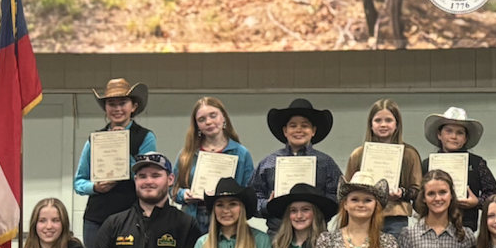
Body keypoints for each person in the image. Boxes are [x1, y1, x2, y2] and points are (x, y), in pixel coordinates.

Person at [74, 78, 157, 247]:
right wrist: (95, 187)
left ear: (133, 106)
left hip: (132, 215)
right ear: (105, 108)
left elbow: (148, 178)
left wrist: (122, 147)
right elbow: (79, 182)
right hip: (96, 218)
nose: (117, 109)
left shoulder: (145, 137)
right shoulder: (94, 140)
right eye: (112, 104)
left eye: (122, 103)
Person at [251, 99, 341, 233]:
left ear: (313, 131)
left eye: (305, 126)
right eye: (293, 126)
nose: (299, 130)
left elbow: (338, 196)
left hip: (315, 234)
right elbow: (253, 197)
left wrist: (320, 205)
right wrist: (267, 205)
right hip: (277, 234)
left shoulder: (326, 162)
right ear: (285, 131)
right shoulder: (268, 163)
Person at [173, 97, 256, 234]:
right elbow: (173, 188)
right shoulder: (187, 154)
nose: (209, 122)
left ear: (223, 117)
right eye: (202, 119)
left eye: (213, 116)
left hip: (227, 219)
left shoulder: (241, 153)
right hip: (193, 218)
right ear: (197, 125)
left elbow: (249, 191)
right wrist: (183, 195)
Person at [344, 99, 424, 234]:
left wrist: (402, 193)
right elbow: (348, 188)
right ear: (370, 124)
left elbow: (417, 189)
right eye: (378, 120)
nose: (383, 125)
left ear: (397, 124)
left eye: (388, 120)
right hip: (364, 216)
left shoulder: (409, 154)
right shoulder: (358, 154)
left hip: (396, 217)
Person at [420, 107, 496, 232]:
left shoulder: (477, 163)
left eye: (460, 133)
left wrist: (477, 202)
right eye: (448, 131)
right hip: (432, 226)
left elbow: (493, 194)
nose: (454, 136)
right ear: (439, 135)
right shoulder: (427, 164)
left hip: (465, 225)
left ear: (466, 138)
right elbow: (418, 197)